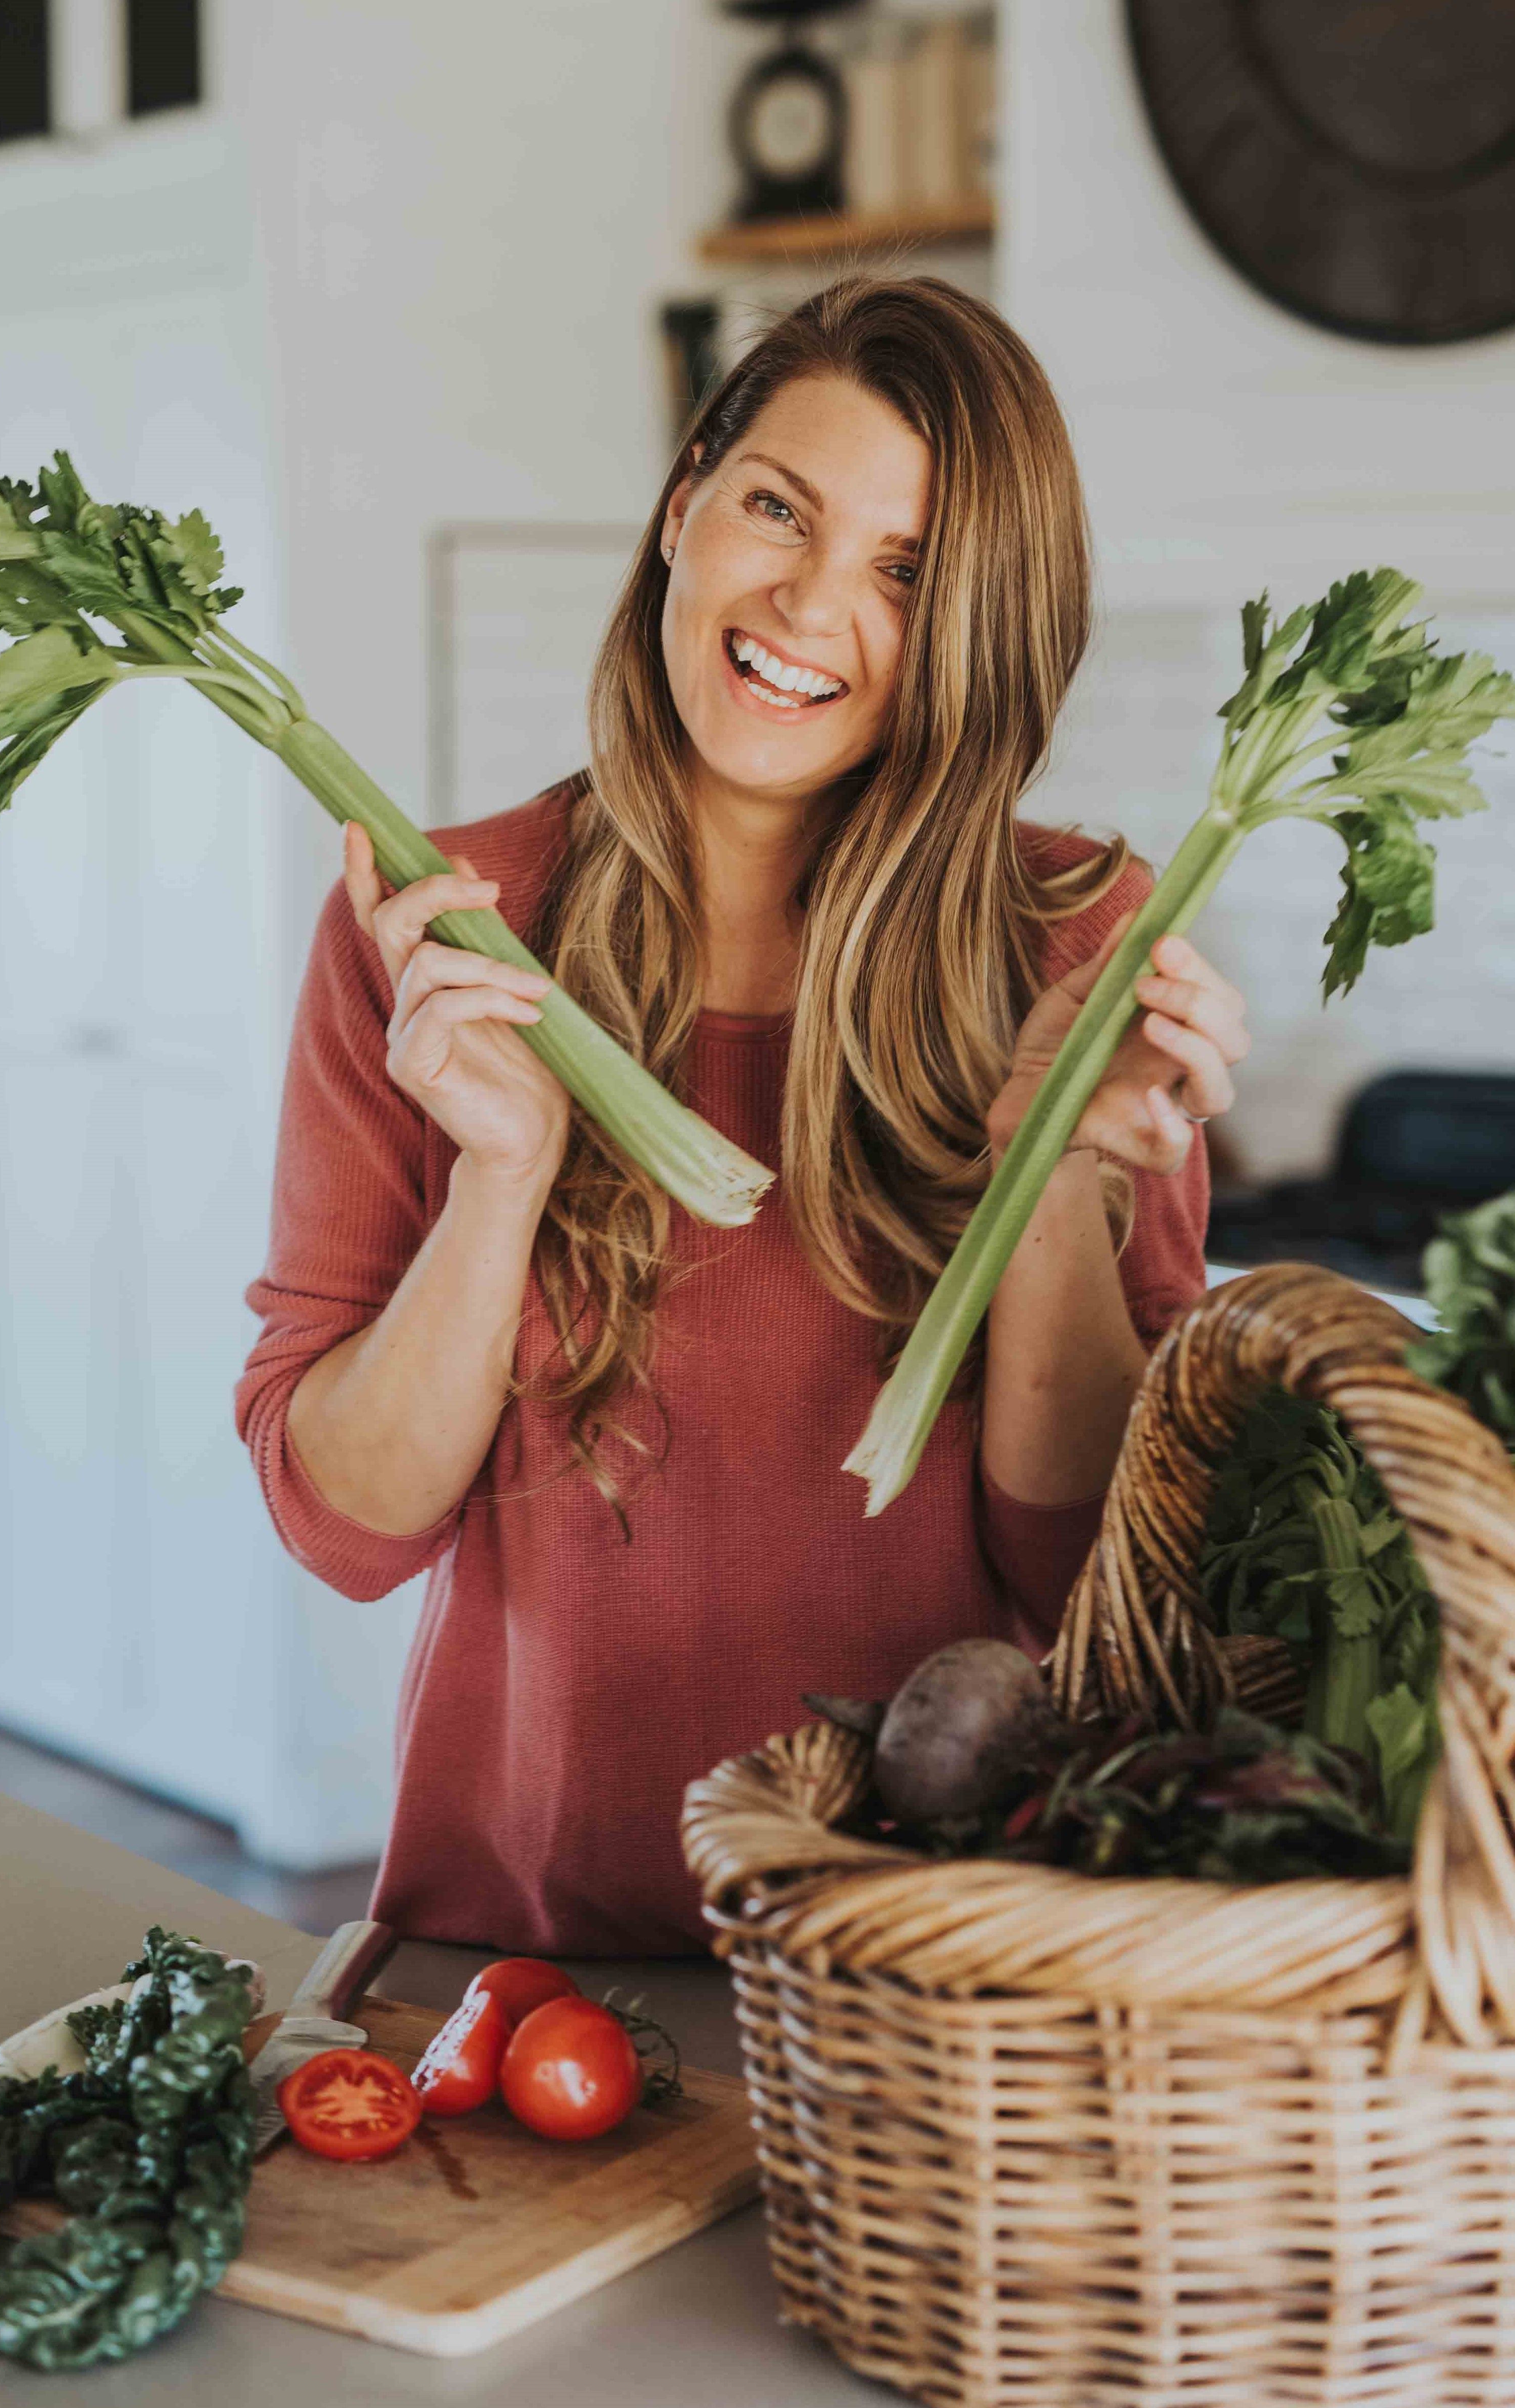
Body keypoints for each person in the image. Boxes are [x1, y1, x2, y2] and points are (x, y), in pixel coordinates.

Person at [236, 276, 1248, 1955]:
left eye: (906, 572)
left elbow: (1091, 1578)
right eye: (779, 507)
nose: (809, 600)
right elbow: (343, 1526)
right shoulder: (442, 931)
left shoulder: (1075, 951)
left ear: (976, 630)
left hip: (913, 1965)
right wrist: (503, 1179)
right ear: (683, 502)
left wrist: (1048, 1175)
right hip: (516, 1956)